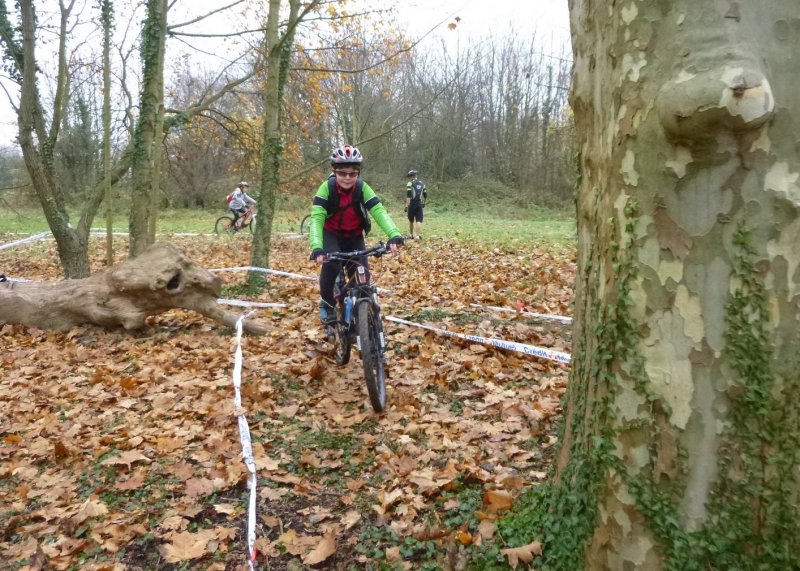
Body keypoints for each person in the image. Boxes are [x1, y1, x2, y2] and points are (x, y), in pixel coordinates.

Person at [308, 144, 404, 327]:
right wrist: (316, 247)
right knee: (331, 266)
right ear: (334, 171)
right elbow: (316, 219)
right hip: (331, 235)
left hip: (354, 236)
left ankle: (361, 318)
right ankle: (327, 305)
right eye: (342, 173)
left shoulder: (362, 188)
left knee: (362, 281)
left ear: (358, 173)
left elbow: (378, 211)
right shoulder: (326, 189)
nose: (347, 177)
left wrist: (394, 234)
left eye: (353, 173)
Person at [404, 170, 427, 239]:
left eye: (410, 176)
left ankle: (411, 235)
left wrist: (406, 206)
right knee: (418, 220)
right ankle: (417, 236)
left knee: (411, 220)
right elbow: (425, 195)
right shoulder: (422, 184)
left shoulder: (410, 184)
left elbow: (408, 196)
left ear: (412, 176)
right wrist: (424, 203)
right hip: (419, 204)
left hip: (412, 204)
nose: (410, 178)